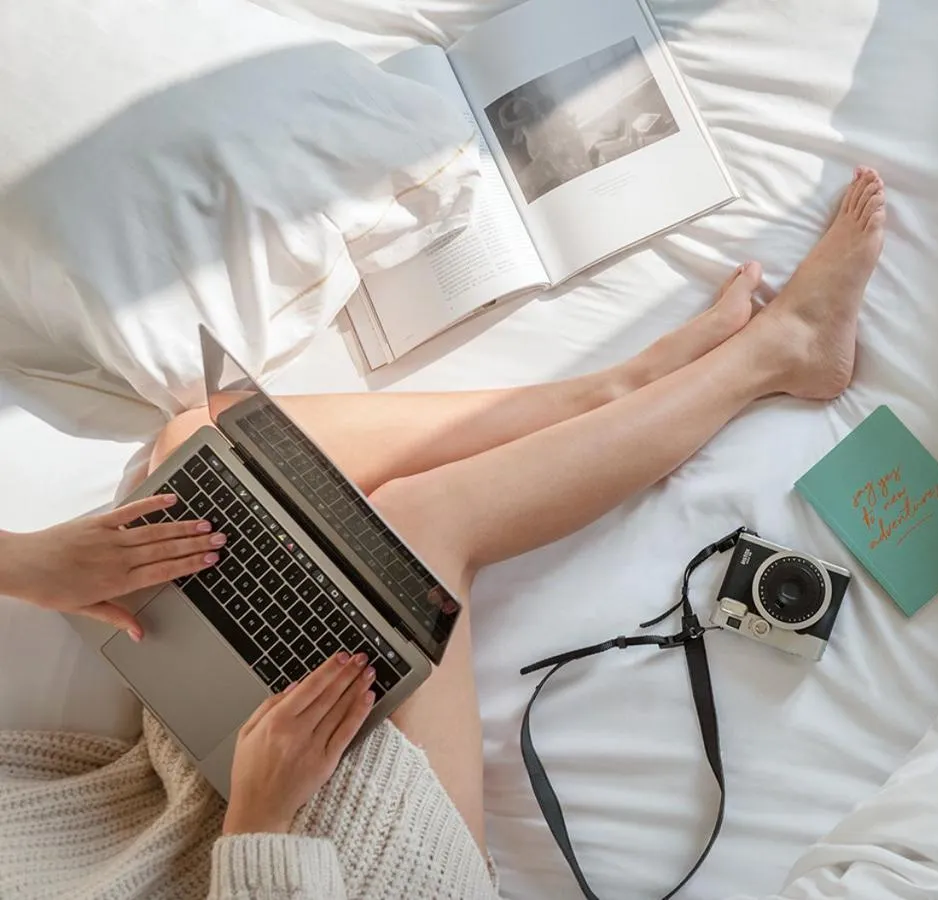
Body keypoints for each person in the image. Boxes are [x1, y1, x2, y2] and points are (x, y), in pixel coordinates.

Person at [0, 168, 886, 899]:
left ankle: (614, 392)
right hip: (297, 868)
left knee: (199, 443)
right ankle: (781, 354)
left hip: (163, 811)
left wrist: (28, 562)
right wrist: (261, 828)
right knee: (411, 535)